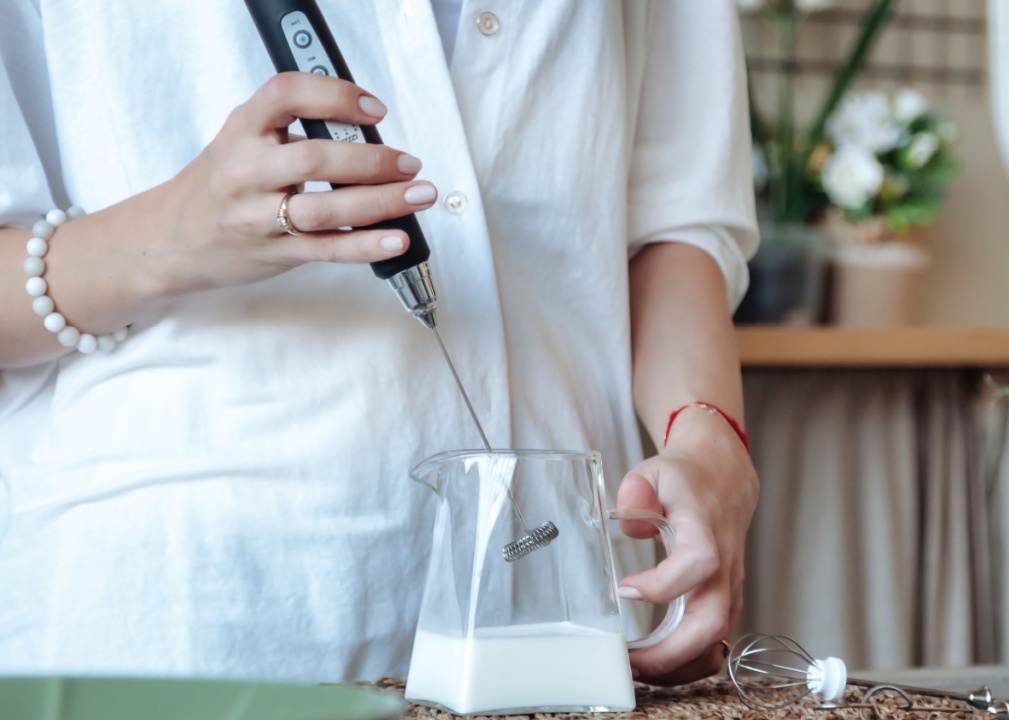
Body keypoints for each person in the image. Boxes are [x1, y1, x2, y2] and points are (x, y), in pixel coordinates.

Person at [0, 1, 759, 685]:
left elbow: (672, 217)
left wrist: (704, 435)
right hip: (198, 618)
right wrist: (175, 231)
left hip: (562, 599)